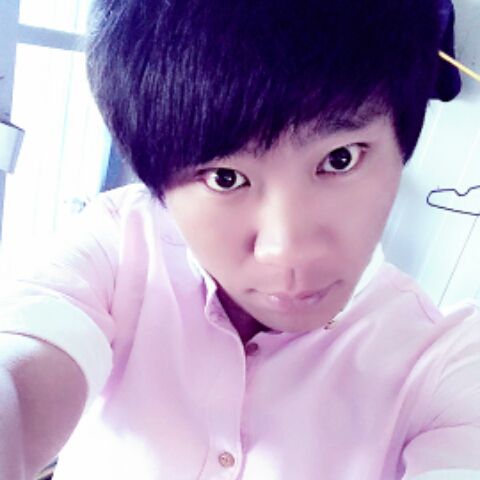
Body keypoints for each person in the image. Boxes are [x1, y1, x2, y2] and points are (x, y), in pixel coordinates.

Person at [0, 0, 479, 479]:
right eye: (225, 178)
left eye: (340, 159)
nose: (287, 249)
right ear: (157, 184)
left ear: (402, 145)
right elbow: (21, 371)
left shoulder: (446, 362)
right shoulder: (118, 244)